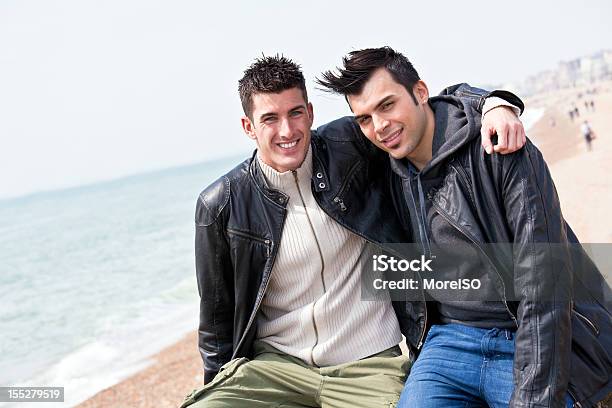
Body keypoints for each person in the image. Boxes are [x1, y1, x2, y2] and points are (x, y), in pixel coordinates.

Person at [183, 55, 526, 408]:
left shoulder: (351, 145)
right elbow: (216, 324)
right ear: (248, 126)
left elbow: (421, 108)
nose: (287, 131)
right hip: (276, 368)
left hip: (370, 363)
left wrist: (492, 104)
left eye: (295, 113)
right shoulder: (221, 203)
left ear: (311, 113)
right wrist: (220, 389)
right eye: (270, 119)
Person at [318, 46, 612, 408]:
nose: (379, 127)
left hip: (521, 336)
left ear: (421, 93)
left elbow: (544, 287)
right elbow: (300, 144)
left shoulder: (500, 149)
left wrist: (494, 103)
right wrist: (489, 99)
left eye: (387, 105)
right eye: (364, 118)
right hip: (448, 343)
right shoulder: (388, 170)